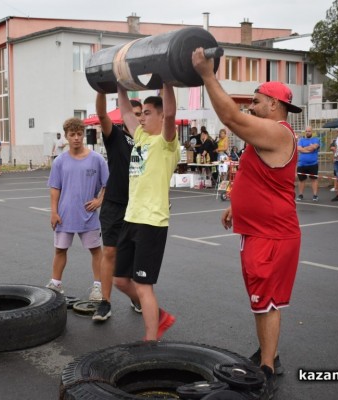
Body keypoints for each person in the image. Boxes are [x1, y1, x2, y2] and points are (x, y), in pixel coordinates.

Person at [193, 48, 302, 399]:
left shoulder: (279, 132)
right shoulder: (265, 137)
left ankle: (268, 368)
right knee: (260, 301)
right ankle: (269, 353)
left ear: (274, 104)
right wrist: (235, 206)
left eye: (256, 101)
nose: (251, 106)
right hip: (256, 231)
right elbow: (252, 170)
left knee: (267, 302)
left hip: (272, 235)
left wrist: (208, 75)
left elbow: (231, 118)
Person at [113, 82, 179, 341]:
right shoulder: (140, 137)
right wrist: (120, 85)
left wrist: (167, 81)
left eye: (148, 112)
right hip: (131, 218)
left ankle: (151, 341)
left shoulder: (167, 143)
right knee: (120, 280)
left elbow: (172, 113)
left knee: (143, 285)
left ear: (161, 117)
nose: (141, 117)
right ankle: (157, 314)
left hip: (152, 222)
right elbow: (126, 112)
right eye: (142, 113)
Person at [46, 117, 108, 301]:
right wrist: (54, 212)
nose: (76, 138)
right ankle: (56, 284)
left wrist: (99, 201)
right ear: (66, 136)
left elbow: (108, 184)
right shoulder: (59, 161)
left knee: (96, 251)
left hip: (88, 216)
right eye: (72, 134)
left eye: (79, 134)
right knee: (60, 250)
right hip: (64, 216)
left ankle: (98, 287)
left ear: (84, 135)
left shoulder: (97, 159)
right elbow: (54, 188)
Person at [92, 93, 142, 321]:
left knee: (132, 257)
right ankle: (105, 302)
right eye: (134, 115)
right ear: (125, 117)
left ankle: (133, 295)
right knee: (110, 252)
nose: (139, 118)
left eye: (142, 114)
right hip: (114, 203)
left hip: (139, 205)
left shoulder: (149, 142)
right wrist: (101, 88)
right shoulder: (116, 136)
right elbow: (101, 114)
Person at [296, 126, 320, 202]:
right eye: (306, 131)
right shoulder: (301, 140)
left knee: (314, 179)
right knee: (301, 180)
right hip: (302, 164)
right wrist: (309, 149)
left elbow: (314, 147)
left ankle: (315, 195)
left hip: (313, 164)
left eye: (309, 131)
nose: (307, 132)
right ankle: (300, 194)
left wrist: (304, 149)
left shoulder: (316, 139)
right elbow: (298, 148)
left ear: (312, 132)